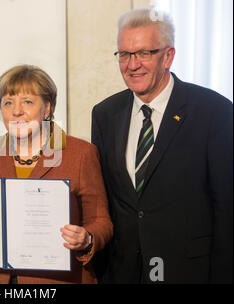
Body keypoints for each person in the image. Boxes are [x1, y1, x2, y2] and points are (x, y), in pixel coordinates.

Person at [91, 8, 233, 283]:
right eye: (124, 54)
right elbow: (105, 199)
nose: (132, 65)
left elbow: (227, 208)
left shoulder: (214, 112)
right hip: (123, 273)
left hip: (189, 272)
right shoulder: (105, 114)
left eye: (144, 53)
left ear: (168, 56)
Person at [0, 64, 113, 284]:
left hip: (55, 281)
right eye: (8, 102)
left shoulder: (81, 153)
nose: (16, 111)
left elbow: (101, 221)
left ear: (46, 108)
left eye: (27, 102)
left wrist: (86, 238)